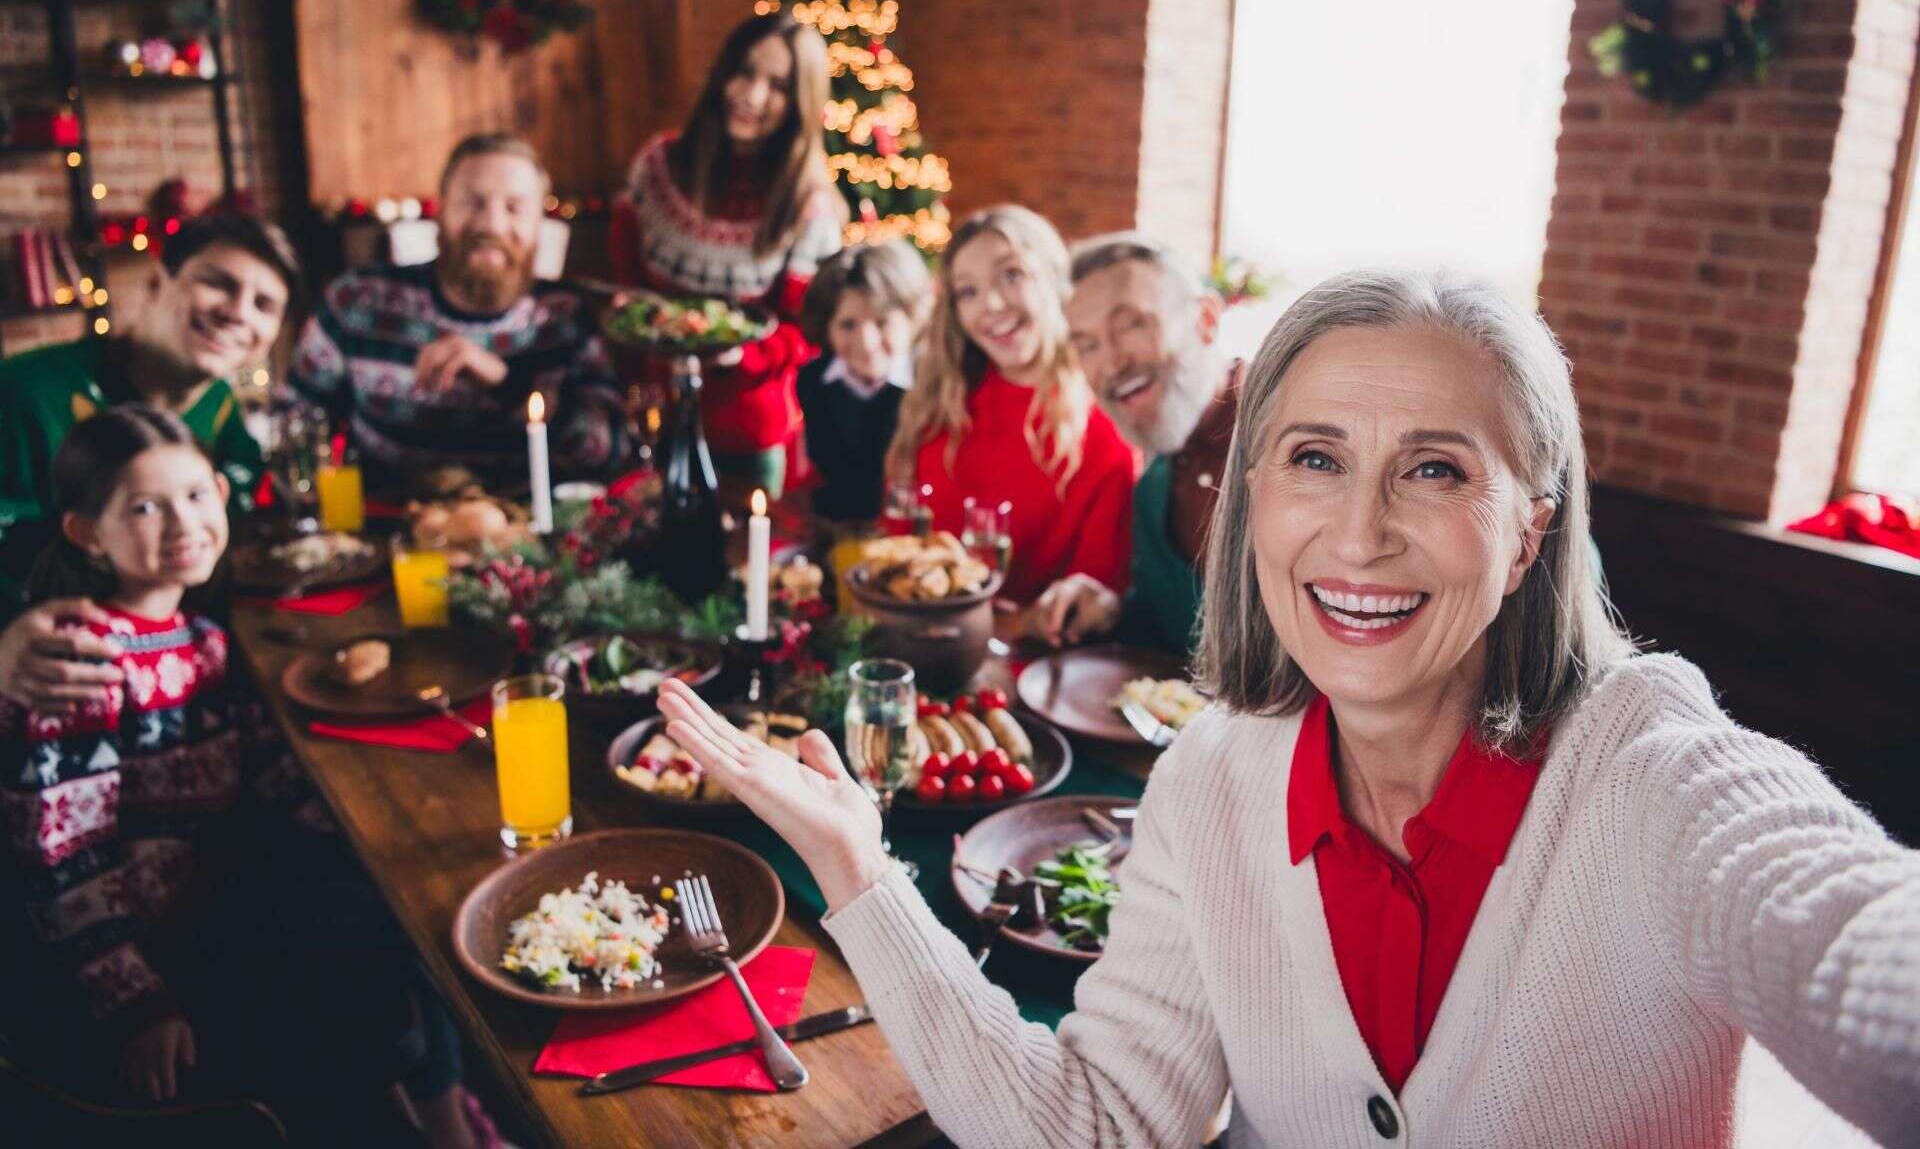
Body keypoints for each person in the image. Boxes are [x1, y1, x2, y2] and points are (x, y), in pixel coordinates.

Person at [658, 268, 1920, 1147]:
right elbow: (1096, 1123)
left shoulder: (1657, 776)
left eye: (1434, 468)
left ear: (1531, 531)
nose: (1359, 533)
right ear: (1253, 492)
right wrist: (861, 871)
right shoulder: (1212, 776)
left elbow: (1866, 947)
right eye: (1316, 458)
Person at [0, 405, 493, 1147]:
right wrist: (136, 1000)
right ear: (85, 534)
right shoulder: (84, 660)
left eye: (196, 494)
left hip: (206, 895)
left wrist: (397, 834)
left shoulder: (202, 640)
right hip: (132, 943)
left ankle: (428, 1104)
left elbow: (270, 779)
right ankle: (436, 1123)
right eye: (144, 507)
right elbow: (64, 857)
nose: (182, 523)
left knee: (399, 908)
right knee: (367, 948)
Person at [0, 212, 298, 712]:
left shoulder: (219, 405)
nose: (238, 313)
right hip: (49, 702)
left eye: (264, 305)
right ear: (158, 281)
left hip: (175, 690)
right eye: (217, 283)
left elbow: (253, 519)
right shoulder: (25, 391)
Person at [288, 133, 626, 494]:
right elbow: (293, 422)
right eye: (471, 203)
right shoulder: (356, 301)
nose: (490, 226)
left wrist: (507, 384)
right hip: (387, 530)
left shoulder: (567, 316)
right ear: (440, 210)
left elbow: (608, 451)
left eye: (514, 207)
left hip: (529, 536)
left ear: (539, 224)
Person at [609, 11, 843, 499]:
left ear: (801, 101)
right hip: (651, 422)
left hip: (746, 432)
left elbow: (808, 331)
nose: (752, 95)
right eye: (745, 71)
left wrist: (742, 355)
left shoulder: (808, 204)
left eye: (778, 84)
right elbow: (625, 281)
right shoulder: (655, 167)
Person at [884, 206, 1134, 605]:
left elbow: (1090, 597)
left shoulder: (1105, 434)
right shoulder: (938, 404)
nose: (992, 305)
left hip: (1034, 659)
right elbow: (895, 547)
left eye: (1011, 275)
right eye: (968, 292)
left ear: (1053, 277)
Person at [1034, 233, 1239, 652]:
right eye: (1086, 345)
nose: (1111, 362)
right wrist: (1112, 612)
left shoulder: (1295, 444)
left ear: (1206, 321)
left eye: (1131, 324)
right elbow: (1172, 635)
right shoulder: (1152, 486)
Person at [795, 239, 930, 521]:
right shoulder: (813, 381)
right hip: (835, 529)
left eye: (882, 322)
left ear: (912, 318)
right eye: (847, 325)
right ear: (826, 327)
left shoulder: (931, 385)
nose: (867, 344)